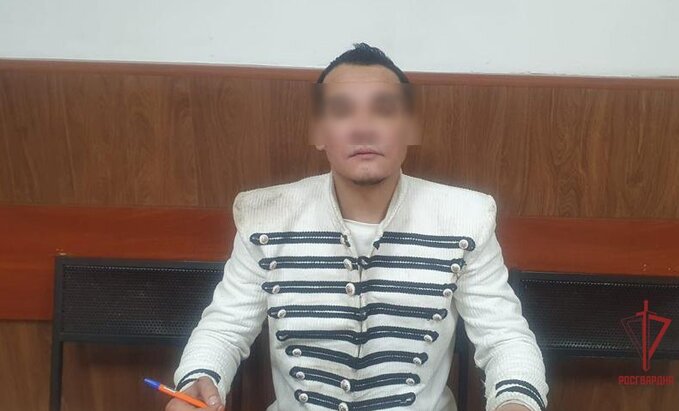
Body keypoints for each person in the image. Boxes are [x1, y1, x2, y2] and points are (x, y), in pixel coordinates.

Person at [166, 43, 548, 411]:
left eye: (383, 110)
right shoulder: (264, 217)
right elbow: (225, 328)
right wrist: (200, 377)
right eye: (342, 111)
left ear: (409, 128)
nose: (363, 129)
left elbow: (504, 337)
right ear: (319, 133)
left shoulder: (466, 218)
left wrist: (514, 402)